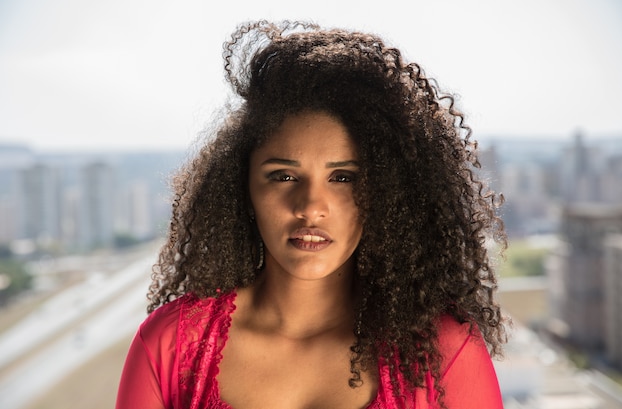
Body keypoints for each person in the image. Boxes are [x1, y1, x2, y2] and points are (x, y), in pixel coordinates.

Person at [116, 20, 509, 409]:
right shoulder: (170, 346)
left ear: (389, 193)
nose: (309, 207)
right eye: (283, 176)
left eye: (342, 177)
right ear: (242, 186)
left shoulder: (445, 354)